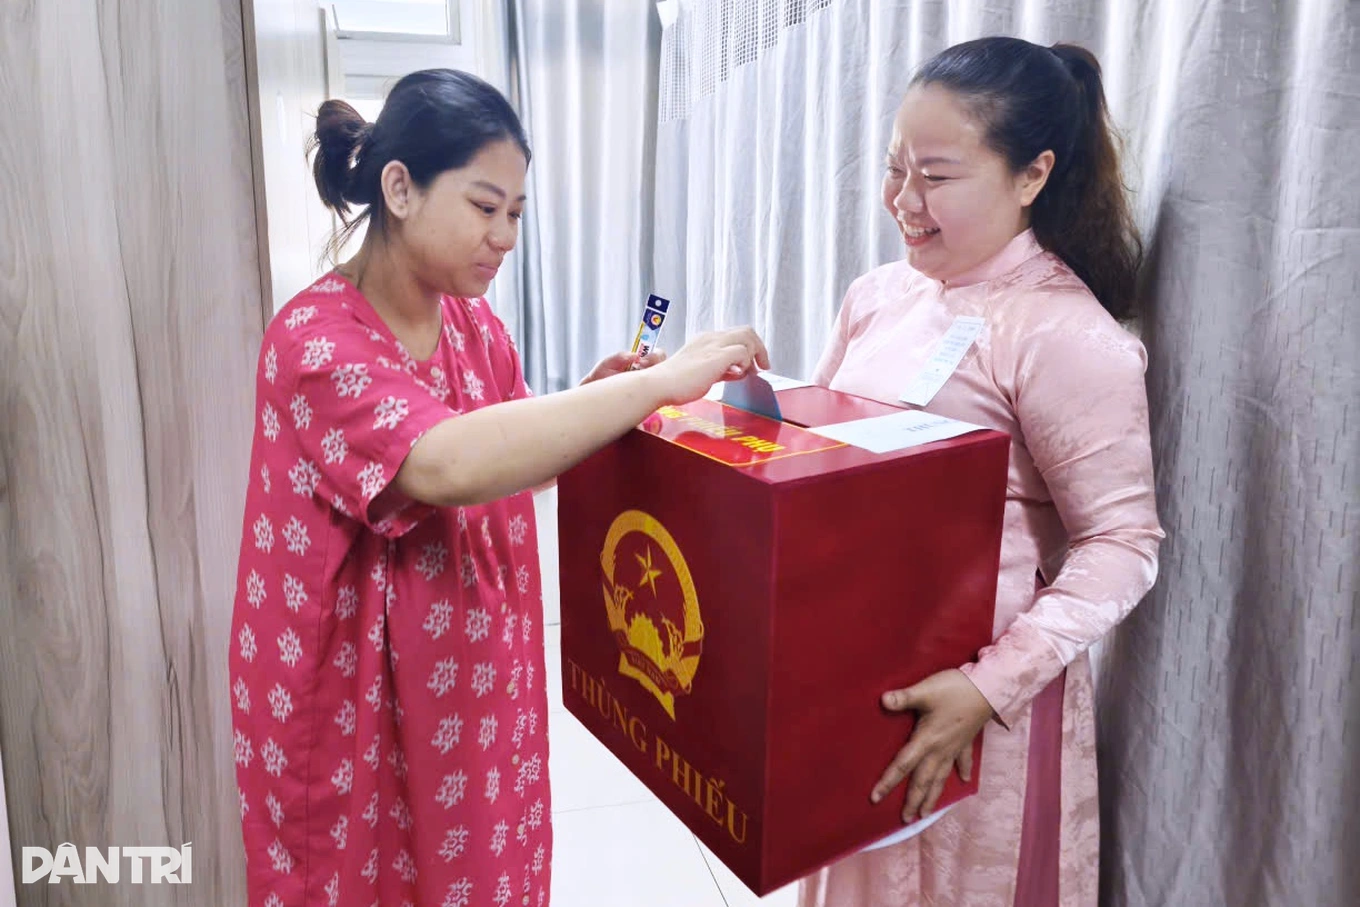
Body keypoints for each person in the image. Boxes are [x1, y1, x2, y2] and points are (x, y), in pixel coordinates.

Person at [227, 69, 767, 907]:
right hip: (357, 703)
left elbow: (515, 454)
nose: (505, 236)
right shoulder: (315, 342)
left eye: (516, 213)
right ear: (400, 189)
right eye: (485, 207)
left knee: (479, 866)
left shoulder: (472, 323)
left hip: (474, 680)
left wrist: (595, 399)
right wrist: (661, 383)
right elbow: (445, 464)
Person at [798, 37, 1164, 906]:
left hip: (978, 703)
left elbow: (1123, 544)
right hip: (853, 673)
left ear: (1032, 176)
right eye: (895, 169)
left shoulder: (1064, 334)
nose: (904, 201)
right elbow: (817, 461)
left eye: (936, 176)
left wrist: (985, 686)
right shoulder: (877, 296)